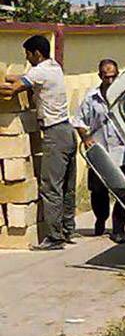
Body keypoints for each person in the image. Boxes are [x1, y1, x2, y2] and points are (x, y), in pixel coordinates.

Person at [0, 35, 77, 251]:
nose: (27, 59)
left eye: (28, 55)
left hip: (54, 134)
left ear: (37, 53)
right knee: (67, 187)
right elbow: (20, 77)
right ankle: (67, 229)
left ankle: (54, 238)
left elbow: (12, 90)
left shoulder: (39, 71)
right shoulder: (54, 67)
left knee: (50, 187)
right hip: (67, 131)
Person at [72, 59, 125, 243]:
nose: (110, 81)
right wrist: (86, 137)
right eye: (107, 77)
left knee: (122, 190)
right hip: (100, 152)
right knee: (98, 190)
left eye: (114, 76)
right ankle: (100, 218)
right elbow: (79, 121)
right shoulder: (92, 98)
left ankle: (119, 229)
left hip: (123, 151)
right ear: (100, 76)